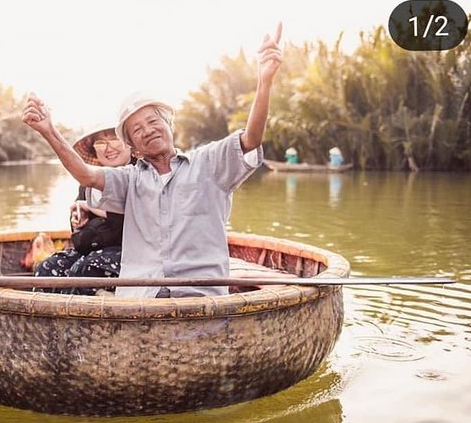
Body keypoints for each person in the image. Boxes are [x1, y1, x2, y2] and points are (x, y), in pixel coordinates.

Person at [22, 24, 283, 298]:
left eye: (153, 121)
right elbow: (87, 175)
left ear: (169, 124)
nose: (147, 130)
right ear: (133, 148)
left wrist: (264, 81)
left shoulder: (208, 163)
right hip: (140, 299)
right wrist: (49, 131)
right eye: (137, 129)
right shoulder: (129, 179)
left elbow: (251, 139)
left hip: (199, 297)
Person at [33, 127, 134, 296]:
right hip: (95, 250)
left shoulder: (141, 173)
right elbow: (80, 231)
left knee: (84, 270)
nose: (108, 148)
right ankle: (49, 320)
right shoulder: (88, 181)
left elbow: (143, 215)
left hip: (134, 253)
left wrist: (93, 207)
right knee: (48, 268)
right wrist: (78, 221)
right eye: (100, 143)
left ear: (130, 144)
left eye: (114, 139)